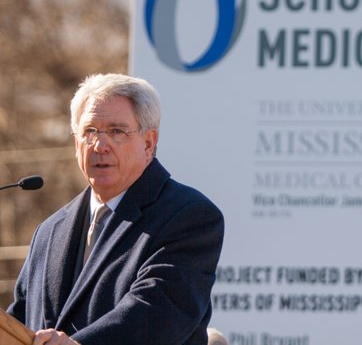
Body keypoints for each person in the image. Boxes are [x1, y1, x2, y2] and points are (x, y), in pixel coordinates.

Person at [7, 73, 225, 344]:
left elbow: (156, 315)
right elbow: (17, 322)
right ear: (76, 144)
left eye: (116, 132)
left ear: (148, 143)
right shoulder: (49, 230)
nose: (100, 145)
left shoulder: (189, 216)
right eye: (89, 132)